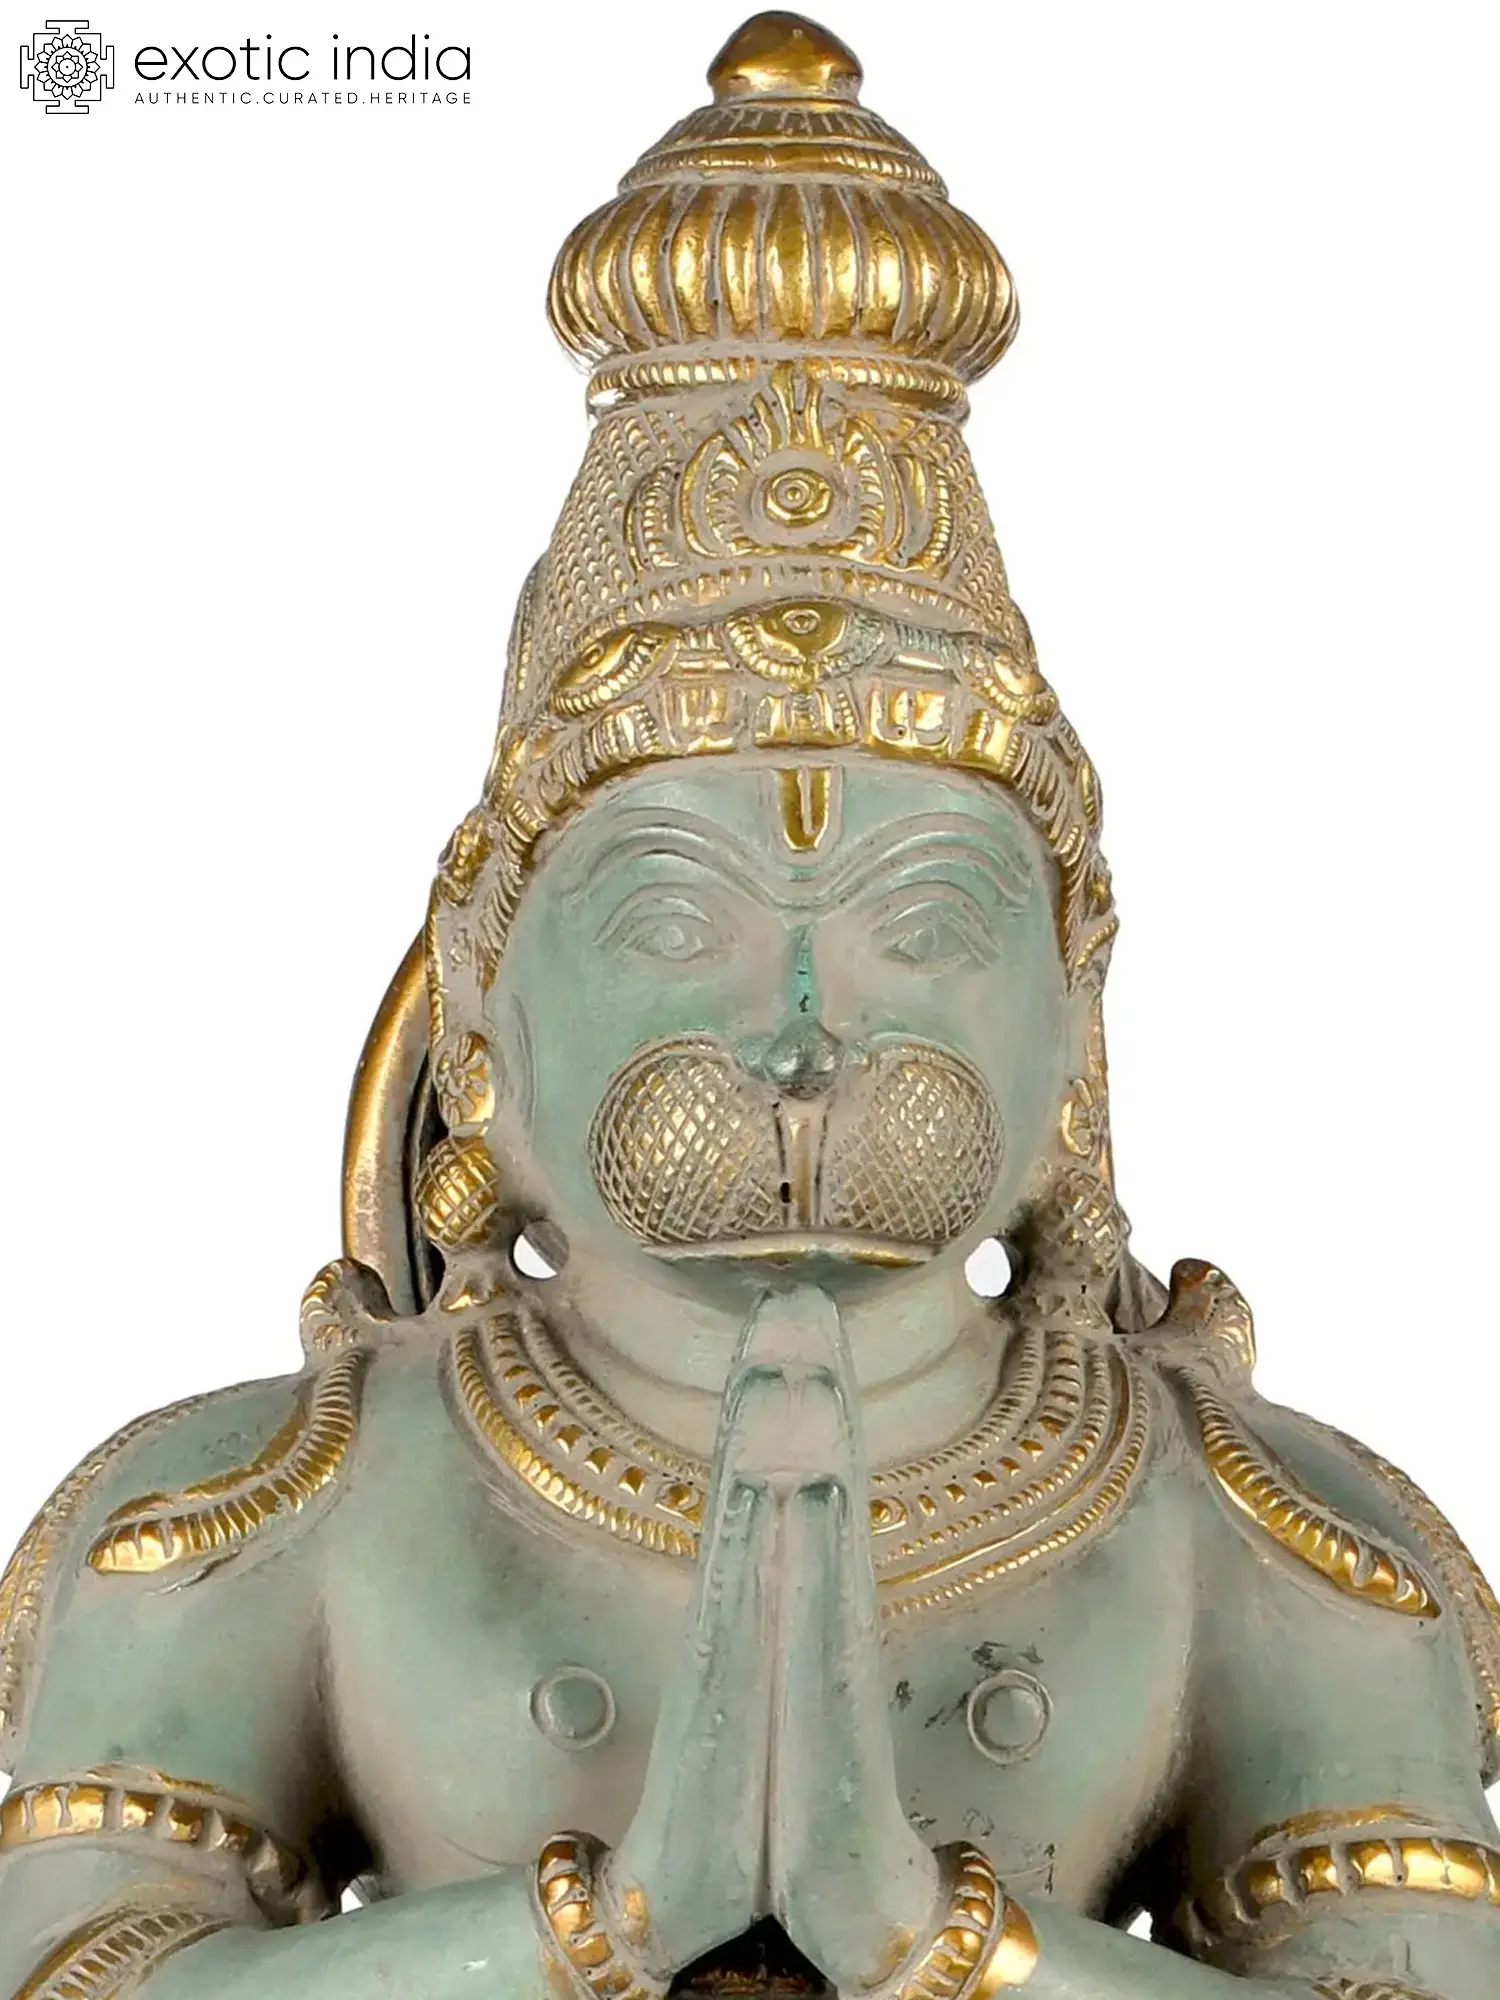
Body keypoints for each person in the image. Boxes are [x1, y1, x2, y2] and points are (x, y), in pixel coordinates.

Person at [2, 15, 1495, 2000]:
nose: (802, 1033)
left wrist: (944, 1941)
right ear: (477, 984)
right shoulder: (264, 1518)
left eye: (923, 919)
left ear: (1080, 1001)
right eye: (674, 913)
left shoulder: (1271, 1548)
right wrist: (596, 1924)